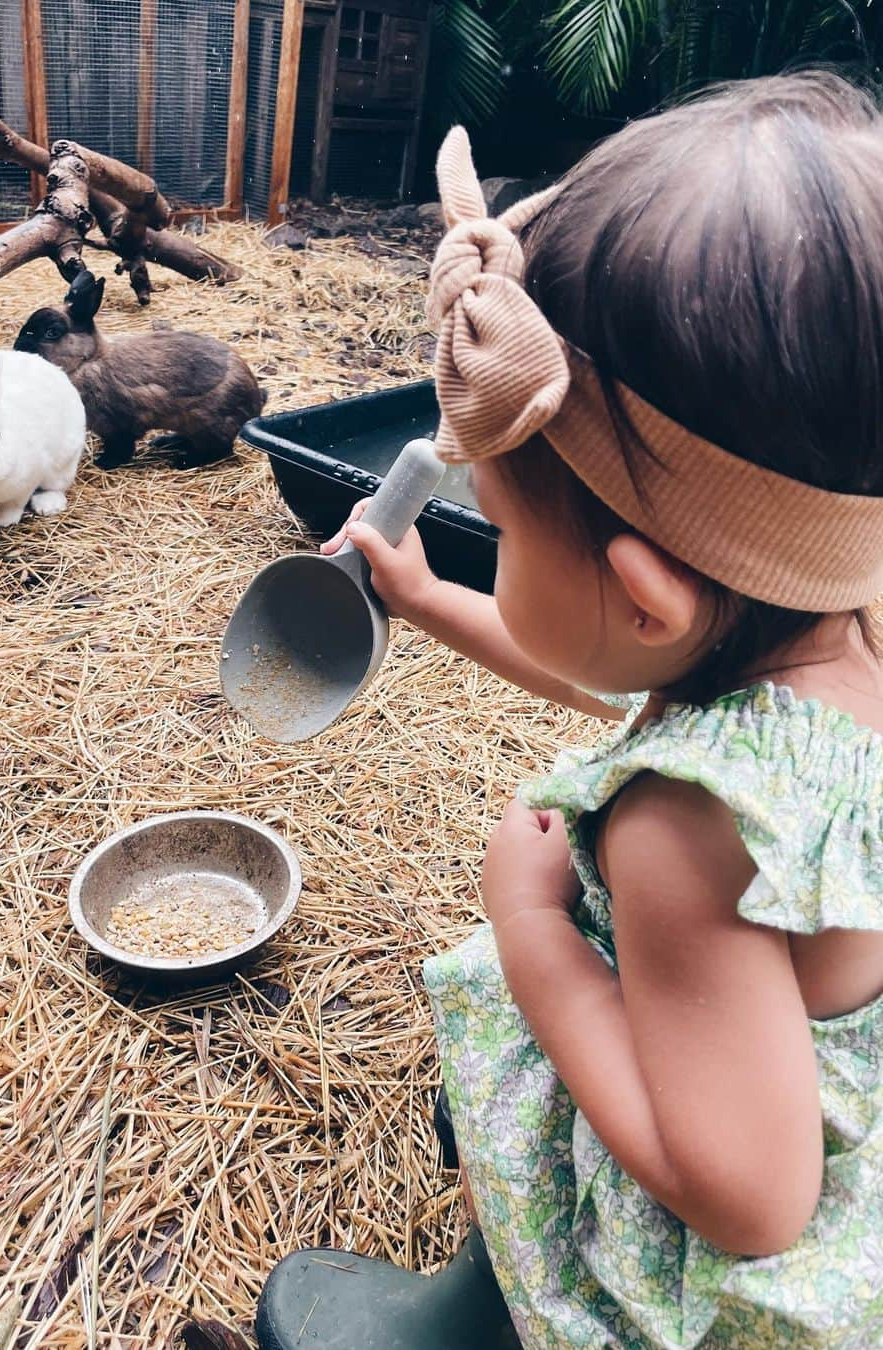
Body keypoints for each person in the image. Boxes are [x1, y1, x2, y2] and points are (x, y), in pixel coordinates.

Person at [255, 72, 883, 1350]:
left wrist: (535, 935)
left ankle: (477, 1317)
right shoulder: (834, 621)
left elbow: (750, 1201)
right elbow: (626, 681)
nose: (483, 539)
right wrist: (429, 601)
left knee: (529, 1032)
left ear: (647, 597)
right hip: (788, 1057)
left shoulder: (680, 841)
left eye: (496, 528)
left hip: (728, 1211)